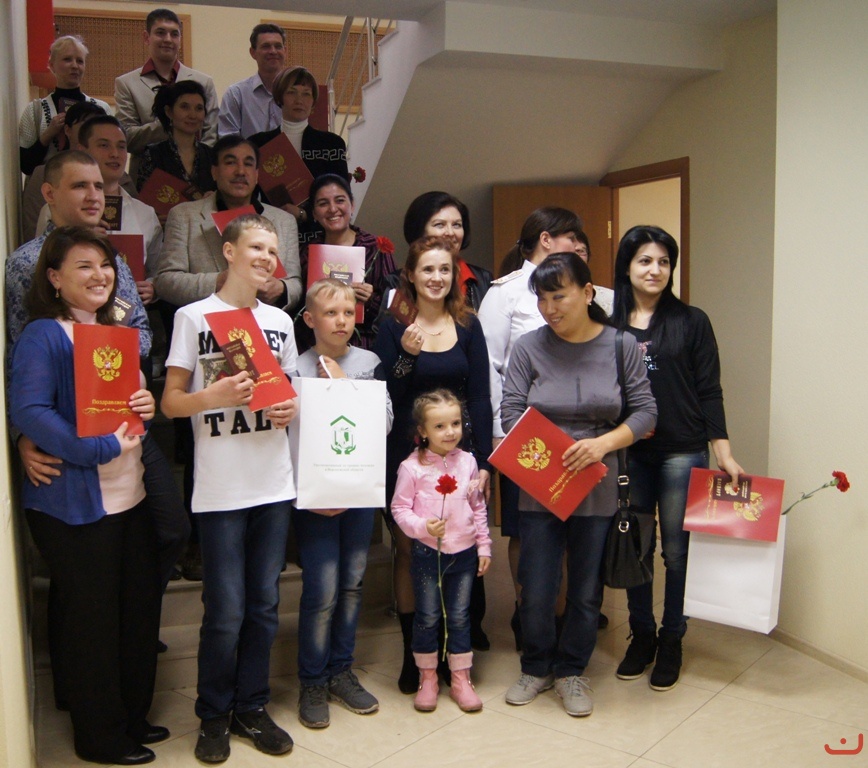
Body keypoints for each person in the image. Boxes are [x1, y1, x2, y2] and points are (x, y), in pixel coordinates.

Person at [9, 226, 165, 765]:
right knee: (92, 625)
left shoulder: (115, 334)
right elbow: (30, 411)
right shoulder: (43, 335)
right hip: (74, 506)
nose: (99, 275)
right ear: (54, 278)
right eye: (83, 266)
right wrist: (96, 448)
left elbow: (128, 409)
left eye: (105, 265)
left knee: (135, 614)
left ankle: (131, 717)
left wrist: (145, 405)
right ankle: (99, 737)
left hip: (131, 495)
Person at [161, 214, 298, 763]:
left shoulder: (280, 322)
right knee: (225, 610)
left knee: (264, 605)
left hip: (273, 484)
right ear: (229, 252)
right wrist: (211, 398)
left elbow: (289, 392)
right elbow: (171, 403)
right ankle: (214, 714)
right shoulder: (193, 317)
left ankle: (252, 707)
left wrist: (289, 408)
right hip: (220, 490)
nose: (266, 258)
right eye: (256, 247)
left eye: (273, 250)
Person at [501, 252, 656, 718]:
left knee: (586, 589)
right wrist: (551, 451)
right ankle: (536, 666)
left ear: (587, 293)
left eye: (559, 296)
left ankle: (572, 670)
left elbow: (646, 411)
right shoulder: (528, 347)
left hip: (598, 484)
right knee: (537, 585)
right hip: (540, 482)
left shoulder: (621, 346)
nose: (550, 308)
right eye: (542, 299)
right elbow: (511, 412)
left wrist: (602, 444)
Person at [611, 225, 743, 691]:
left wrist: (723, 451)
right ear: (627, 266)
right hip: (629, 453)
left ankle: (672, 638)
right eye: (645, 260)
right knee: (636, 546)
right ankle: (642, 634)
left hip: (682, 450)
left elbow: (710, 390)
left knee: (678, 551)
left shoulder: (692, 321)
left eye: (664, 262)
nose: (655, 270)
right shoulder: (608, 325)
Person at [373, 235, 493, 694]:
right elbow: (388, 396)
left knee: (458, 550)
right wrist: (407, 354)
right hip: (408, 459)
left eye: (445, 269)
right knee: (411, 553)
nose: (436, 278)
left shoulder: (468, 325)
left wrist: (483, 461)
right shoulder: (392, 326)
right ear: (410, 275)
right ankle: (415, 655)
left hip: (460, 459)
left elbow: (479, 396)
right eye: (427, 269)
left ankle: (451, 653)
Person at [478, 206, 591, 651]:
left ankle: (561, 615)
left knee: (570, 529)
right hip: (524, 432)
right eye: (571, 237)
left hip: (576, 432)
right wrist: (498, 429)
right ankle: (529, 614)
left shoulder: (581, 289)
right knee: (526, 530)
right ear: (546, 239)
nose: (578, 246)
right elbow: (489, 366)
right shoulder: (505, 293)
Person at [293, 278, 393, 729]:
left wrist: (344, 385)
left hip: (358, 493)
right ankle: (312, 679)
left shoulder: (368, 362)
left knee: (352, 583)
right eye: (330, 313)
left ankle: (340, 671)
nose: (341, 321)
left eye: (348, 313)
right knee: (321, 590)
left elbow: (384, 421)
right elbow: (292, 434)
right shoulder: (296, 366)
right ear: (310, 319)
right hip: (316, 496)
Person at [391, 389, 492, 713]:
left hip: (464, 553)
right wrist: (422, 527)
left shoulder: (469, 462)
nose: (450, 432)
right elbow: (399, 508)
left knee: (460, 616)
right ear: (422, 431)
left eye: (455, 423)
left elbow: (478, 507)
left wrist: (484, 545)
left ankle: (461, 678)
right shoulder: (411, 468)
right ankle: (428, 677)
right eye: (439, 426)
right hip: (427, 555)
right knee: (428, 616)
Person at [155, 135, 301, 312]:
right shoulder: (184, 216)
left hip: (264, 321)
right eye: (231, 163)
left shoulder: (284, 221)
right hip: (206, 323)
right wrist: (218, 282)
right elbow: (165, 281)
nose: (240, 171)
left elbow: (295, 283)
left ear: (257, 175)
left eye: (248, 164)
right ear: (214, 172)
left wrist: (281, 289)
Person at [36, 116, 163, 307]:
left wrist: (153, 287)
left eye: (121, 146)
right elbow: (41, 262)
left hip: (130, 311)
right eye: (104, 145)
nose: (115, 153)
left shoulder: (145, 213)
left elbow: (158, 268)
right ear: (82, 150)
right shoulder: (54, 209)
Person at [296, 173, 397, 352]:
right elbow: (299, 305)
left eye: (340, 200)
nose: (332, 209)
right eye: (323, 203)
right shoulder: (307, 253)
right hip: (316, 348)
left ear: (352, 205)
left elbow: (397, 308)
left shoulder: (376, 249)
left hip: (364, 348)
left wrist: (371, 300)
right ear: (314, 213)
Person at [114, 8, 218, 178]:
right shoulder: (126, 83)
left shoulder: (203, 82)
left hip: (197, 176)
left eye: (174, 34)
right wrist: (169, 122)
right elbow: (127, 138)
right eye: (161, 33)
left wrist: (199, 167)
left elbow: (211, 135)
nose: (168, 39)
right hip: (149, 176)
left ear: (180, 39)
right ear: (146, 37)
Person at [249, 65, 349, 240]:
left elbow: (341, 195)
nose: (299, 100)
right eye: (291, 92)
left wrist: (303, 213)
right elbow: (249, 194)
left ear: (313, 102)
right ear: (279, 98)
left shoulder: (331, 144)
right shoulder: (258, 144)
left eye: (306, 94)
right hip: (272, 234)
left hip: (320, 236)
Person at [18, 35, 111, 176]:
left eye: (80, 61)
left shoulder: (101, 109)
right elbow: (25, 165)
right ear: (52, 65)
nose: (74, 66)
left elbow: (109, 154)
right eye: (67, 59)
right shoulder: (35, 111)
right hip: (45, 184)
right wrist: (48, 134)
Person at [20, 101, 111, 243]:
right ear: (68, 130)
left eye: (98, 186)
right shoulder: (44, 174)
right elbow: (32, 228)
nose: (92, 133)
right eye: (86, 126)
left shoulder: (118, 176)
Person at [401, 191, 492, 311]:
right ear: (419, 231)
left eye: (456, 225)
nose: (450, 232)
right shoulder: (395, 282)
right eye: (439, 225)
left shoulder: (483, 279)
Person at [137, 80, 216, 199]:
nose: (193, 115)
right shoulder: (152, 155)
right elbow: (145, 200)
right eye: (185, 107)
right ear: (169, 112)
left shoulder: (213, 156)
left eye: (199, 108)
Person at [218, 23, 286, 138]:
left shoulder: (300, 95)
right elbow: (228, 141)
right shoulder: (236, 95)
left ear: (285, 51)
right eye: (266, 46)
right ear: (253, 52)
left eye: (278, 46)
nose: (273, 51)